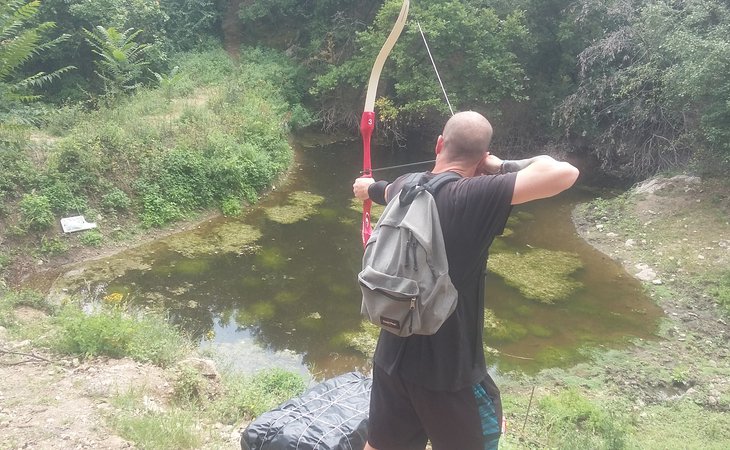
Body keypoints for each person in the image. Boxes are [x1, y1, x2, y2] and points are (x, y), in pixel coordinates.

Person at [352, 111, 579, 450]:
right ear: (482, 157)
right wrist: (500, 165)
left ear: (439, 144)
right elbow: (564, 173)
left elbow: (377, 188)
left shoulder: (405, 186)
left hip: (391, 359)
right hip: (449, 372)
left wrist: (365, 188)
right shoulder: (475, 195)